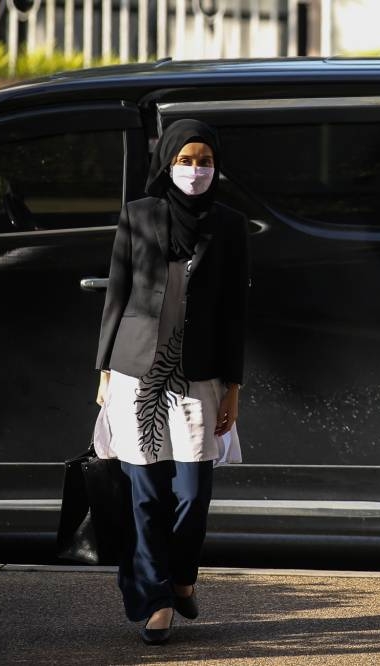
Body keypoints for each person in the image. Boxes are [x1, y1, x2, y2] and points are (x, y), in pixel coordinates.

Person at [94, 119, 249, 644]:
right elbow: (117, 293)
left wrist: (233, 388)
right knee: (143, 494)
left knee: (192, 492)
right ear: (167, 164)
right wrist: (104, 370)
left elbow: (235, 311)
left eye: (205, 161)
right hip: (135, 372)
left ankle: (182, 576)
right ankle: (156, 600)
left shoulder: (229, 225)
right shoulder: (139, 214)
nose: (195, 170)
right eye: (185, 160)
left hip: (200, 375)